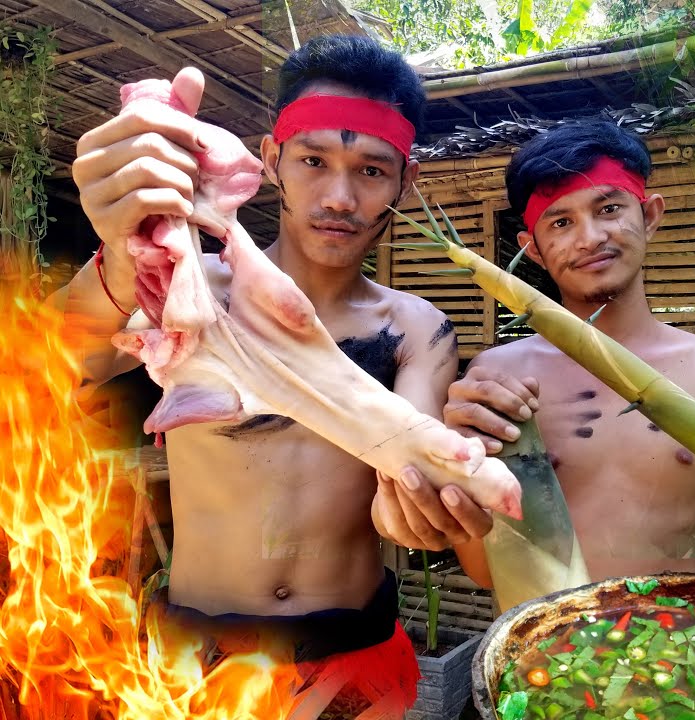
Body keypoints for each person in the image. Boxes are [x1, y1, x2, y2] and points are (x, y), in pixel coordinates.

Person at [52, 35, 492, 715]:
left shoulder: (415, 329)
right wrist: (119, 255)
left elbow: (408, 478)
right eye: (314, 161)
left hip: (353, 659)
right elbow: (44, 360)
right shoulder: (181, 287)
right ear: (270, 159)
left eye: (373, 171)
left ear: (406, 183)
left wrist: (424, 507)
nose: (340, 196)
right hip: (195, 657)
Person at [436, 120, 695, 587]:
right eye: (560, 222)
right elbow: (484, 571)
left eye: (609, 208)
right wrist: (460, 465)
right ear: (531, 249)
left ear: (650, 215)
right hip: (546, 648)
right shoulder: (496, 381)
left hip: (693, 646)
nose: (590, 237)